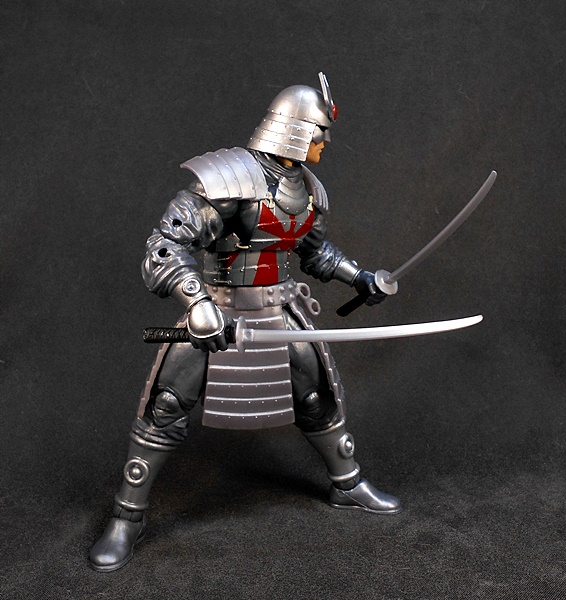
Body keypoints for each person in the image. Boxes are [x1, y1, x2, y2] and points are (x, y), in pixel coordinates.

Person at [90, 73, 401, 572]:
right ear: (296, 130)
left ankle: (347, 484)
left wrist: (359, 278)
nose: (325, 143)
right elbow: (164, 245)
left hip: (280, 311)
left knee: (317, 398)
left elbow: (314, 253)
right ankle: (127, 517)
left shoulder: (309, 189)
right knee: (166, 407)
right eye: (320, 132)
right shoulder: (230, 177)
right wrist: (196, 302)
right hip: (217, 312)